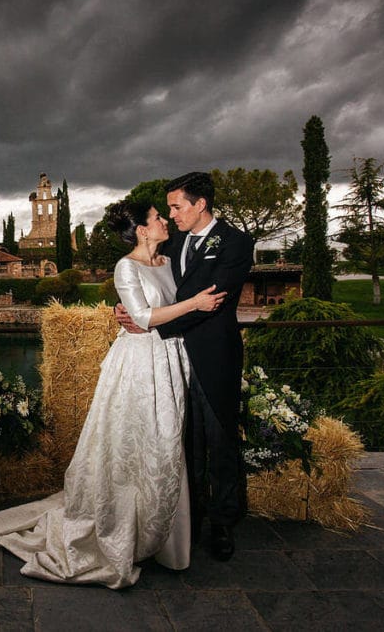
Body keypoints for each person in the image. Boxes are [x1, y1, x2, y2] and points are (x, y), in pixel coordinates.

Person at [0, 199, 226, 589]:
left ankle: (165, 534)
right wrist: (190, 304)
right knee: (134, 439)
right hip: (139, 364)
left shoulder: (170, 260)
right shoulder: (125, 266)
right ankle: (122, 526)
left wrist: (180, 307)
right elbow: (143, 318)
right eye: (158, 218)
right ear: (143, 230)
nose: (166, 221)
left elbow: (158, 309)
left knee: (164, 444)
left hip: (170, 358)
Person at [115, 171, 254, 562]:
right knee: (182, 444)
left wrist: (147, 323)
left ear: (200, 205)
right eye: (169, 208)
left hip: (213, 358)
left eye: (177, 206)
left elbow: (214, 302)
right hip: (169, 362)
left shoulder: (236, 243)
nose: (171, 214)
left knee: (220, 441)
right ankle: (186, 522)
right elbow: (145, 280)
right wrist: (128, 311)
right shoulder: (170, 243)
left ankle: (223, 524)